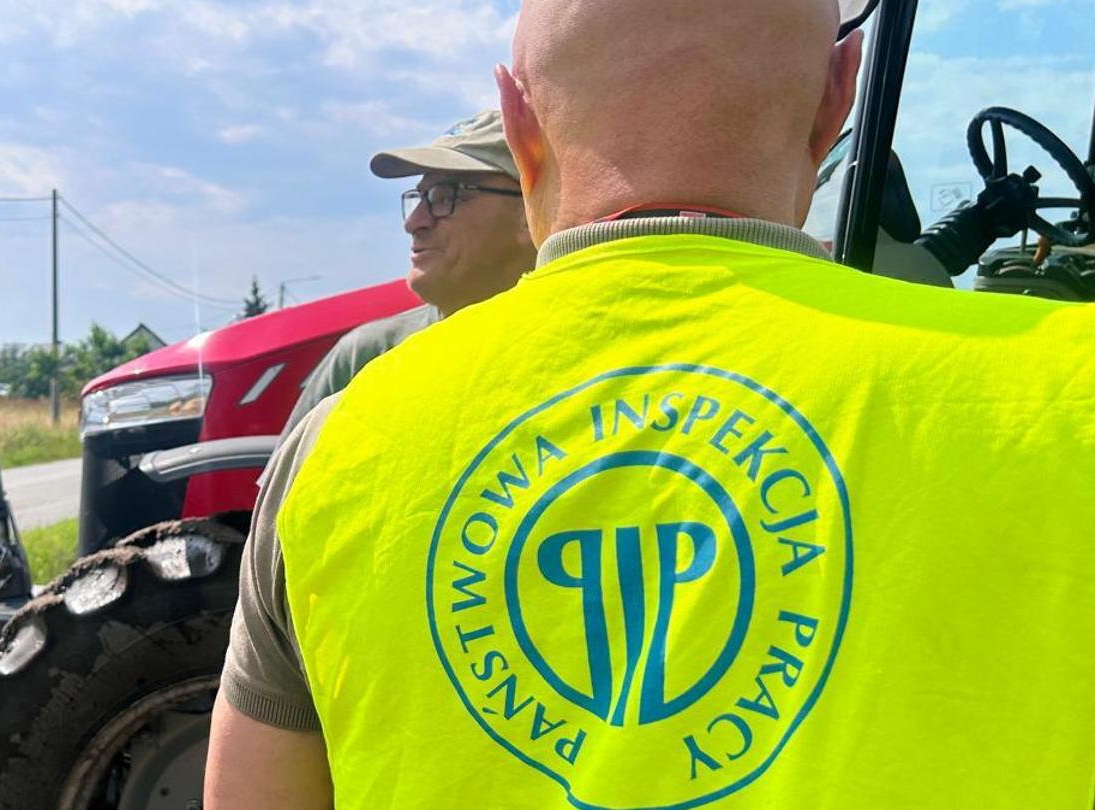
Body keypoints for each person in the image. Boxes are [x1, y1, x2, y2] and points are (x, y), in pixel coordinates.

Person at [208, 1, 1095, 808]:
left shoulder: (337, 446)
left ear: (518, 123)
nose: (417, 218)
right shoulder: (1066, 389)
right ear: (840, 97)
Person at [284, 110, 534, 430]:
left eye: (445, 196)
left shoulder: (575, 347)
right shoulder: (366, 357)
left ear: (529, 210)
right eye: (420, 197)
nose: (414, 222)